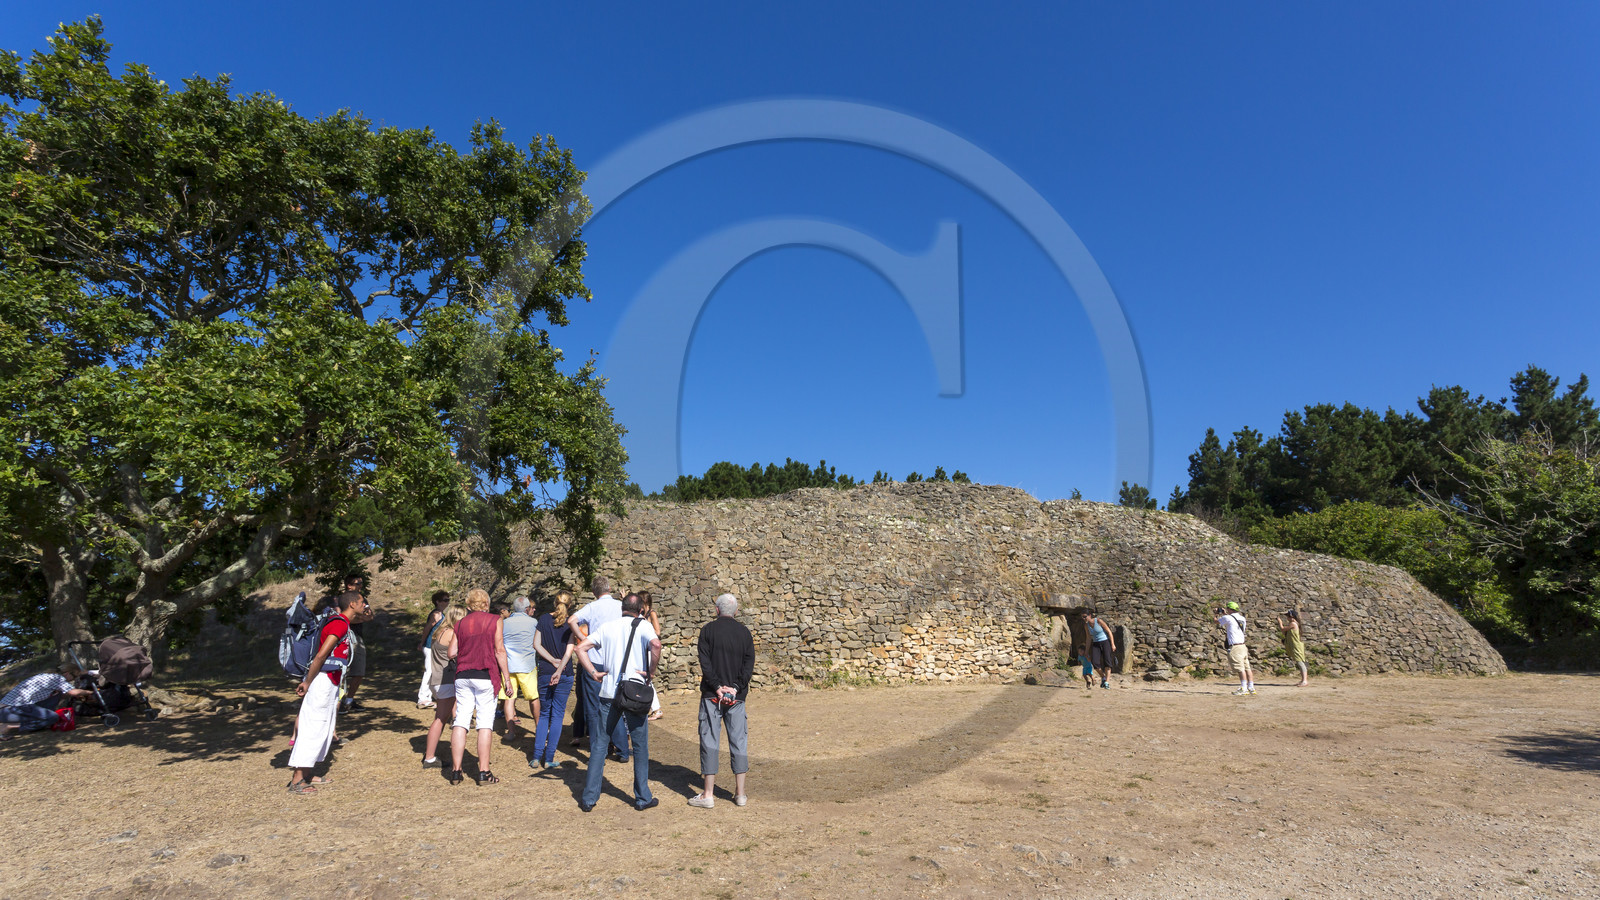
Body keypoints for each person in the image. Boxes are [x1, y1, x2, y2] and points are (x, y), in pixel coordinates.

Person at [575, 592, 661, 811]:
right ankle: (642, 797)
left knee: (599, 745)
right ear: (641, 610)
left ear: (621, 608)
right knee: (640, 747)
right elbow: (656, 645)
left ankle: (589, 798)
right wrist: (650, 672)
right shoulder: (643, 625)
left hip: (608, 693)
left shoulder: (607, 627)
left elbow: (580, 648)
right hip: (634, 693)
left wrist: (593, 672)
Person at [287, 589, 368, 793]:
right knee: (314, 726)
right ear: (352, 605)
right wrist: (307, 682)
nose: (364, 604)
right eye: (361, 601)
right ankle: (297, 780)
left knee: (323, 727)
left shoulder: (343, 623)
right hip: (322, 682)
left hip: (331, 682)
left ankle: (307, 773)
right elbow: (321, 656)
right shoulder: (339, 623)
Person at [688, 592, 754, 809]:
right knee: (739, 742)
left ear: (717, 610)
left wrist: (717, 687)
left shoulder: (707, 631)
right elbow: (748, 666)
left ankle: (708, 794)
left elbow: (704, 663)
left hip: (711, 696)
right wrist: (734, 688)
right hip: (737, 698)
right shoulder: (745, 633)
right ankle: (741, 794)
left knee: (709, 741)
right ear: (735, 611)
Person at [448, 588, 510, 785]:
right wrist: (507, 679)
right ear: (486, 604)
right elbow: (500, 650)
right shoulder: (495, 620)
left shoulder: (460, 624)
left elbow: (451, 652)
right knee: (484, 723)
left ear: (468, 605)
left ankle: (456, 771)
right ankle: (483, 771)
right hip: (485, 674)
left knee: (461, 720)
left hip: (463, 675)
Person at [569, 576, 628, 762]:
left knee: (593, 708)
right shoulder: (620, 606)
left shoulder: (592, 607)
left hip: (594, 661)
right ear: (609, 588)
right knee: (616, 705)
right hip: (616, 661)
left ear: (594, 592)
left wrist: (582, 638)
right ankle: (622, 749)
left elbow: (572, 619)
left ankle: (598, 750)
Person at [530, 590, 577, 769]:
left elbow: (536, 644)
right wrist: (559, 668)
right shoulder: (571, 623)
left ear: (554, 602)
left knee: (544, 715)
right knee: (557, 716)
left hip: (545, 671)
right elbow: (569, 651)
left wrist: (551, 661)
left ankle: (536, 757)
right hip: (564, 673)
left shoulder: (543, 619)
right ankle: (549, 759)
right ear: (570, 604)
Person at [421, 604, 467, 769]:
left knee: (441, 718)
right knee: (440, 719)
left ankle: (430, 756)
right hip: (446, 680)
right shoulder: (452, 634)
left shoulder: (440, 631)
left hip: (438, 680)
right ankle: (430, 757)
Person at [1, 665, 93, 739]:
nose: (73, 680)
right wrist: (92, 692)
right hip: (11, 710)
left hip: (8, 708)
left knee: (57, 694)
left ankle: (41, 720)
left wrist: (80, 694)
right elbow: (73, 692)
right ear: (67, 673)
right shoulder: (58, 678)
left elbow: (64, 694)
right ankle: (9, 726)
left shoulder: (47, 677)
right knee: (52, 718)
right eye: (74, 677)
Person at [499, 596, 541, 739]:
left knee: (509, 699)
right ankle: (539, 728)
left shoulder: (504, 623)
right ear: (527, 608)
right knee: (533, 698)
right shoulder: (534, 622)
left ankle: (511, 732)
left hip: (509, 666)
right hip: (527, 665)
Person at [339, 574, 372, 712]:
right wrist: (360, 617)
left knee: (359, 670)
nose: (360, 586)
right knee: (341, 671)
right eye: (357, 583)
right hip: (344, 636)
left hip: (358, 637)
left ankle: (349, 700)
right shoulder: (341, 599)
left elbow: (370, 616)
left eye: (361, 583)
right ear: (349, 585)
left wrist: (358, 617)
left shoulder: (363, 599)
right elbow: (344, 618)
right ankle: (339, 701)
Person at [416, 590, 450, 709]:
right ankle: (423, 698)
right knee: (429, 671)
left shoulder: (441, 614)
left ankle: (429, 696)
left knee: (434, 671)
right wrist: (422, 642)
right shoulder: (436, 614)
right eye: (445, 600)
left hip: (434, 646)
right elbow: (426, 629)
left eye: (448, 600)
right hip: (430, 645)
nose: (447, 602)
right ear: (437, 601)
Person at [1216, 601, 1254, 696]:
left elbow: (1216, 621)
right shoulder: (1242, 618)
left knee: (1240, 668)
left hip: (1235, 646)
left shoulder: (1227, 617)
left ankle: (1243, 688)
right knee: (1247, 667)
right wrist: (1225, 613)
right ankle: (1251, 687)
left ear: (1229, 609)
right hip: (1243, 646)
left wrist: (1216, 614)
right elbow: (1231, 619)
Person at [638, 591, 665, 720]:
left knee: (646, 678)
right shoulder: (639, 613)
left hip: (649, 649)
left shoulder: (651, 614)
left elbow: (658, 632)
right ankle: (651, 707)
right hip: (641, 648)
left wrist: (644, 623)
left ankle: (656, 709)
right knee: (644, 679)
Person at [1080, 609, 1117, 690]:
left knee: (1107, 662)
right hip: (1096, 643)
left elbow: (1109, 632)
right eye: (1082, 617)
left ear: (1089, 615)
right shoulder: (1086, 626)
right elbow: (1088, 638)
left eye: (1085, 617)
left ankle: (1107, 682)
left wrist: (1112, 644)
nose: (1084, 619)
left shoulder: (1099, 621)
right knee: (1095, 663)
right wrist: (1086, 651)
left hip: (1105, 642)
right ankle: (1103, 677)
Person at [1279, 609, 1309, 686]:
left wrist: (1280, 622)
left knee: (1300, 662)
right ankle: (1303, 680)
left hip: (1296, 646)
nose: (1287, 618)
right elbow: (1284, 632)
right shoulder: (1293, 624)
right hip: (1295, 645)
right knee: (1299, 662)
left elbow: (1282, 629)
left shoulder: (1293, 624)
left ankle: (1304, 681)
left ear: (1291, 617)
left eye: (1288, 616)